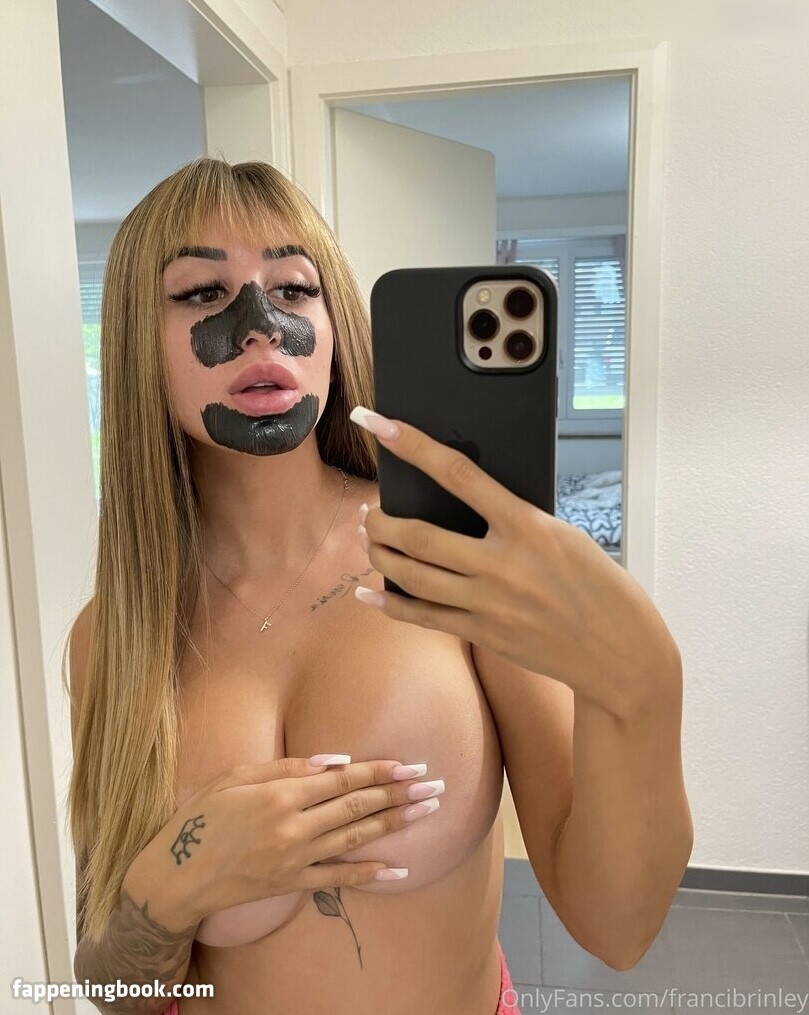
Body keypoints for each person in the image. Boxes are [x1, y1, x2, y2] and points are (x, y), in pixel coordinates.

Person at [64, 157, 692, 1015]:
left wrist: (643, 683)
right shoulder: (113, 634)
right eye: (202, 293)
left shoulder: (449, 563)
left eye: (293, 287)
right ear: (136, 339)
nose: (259, 328)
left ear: (335, 325)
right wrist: (185, 873)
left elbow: (617, 930)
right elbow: (109, 984)